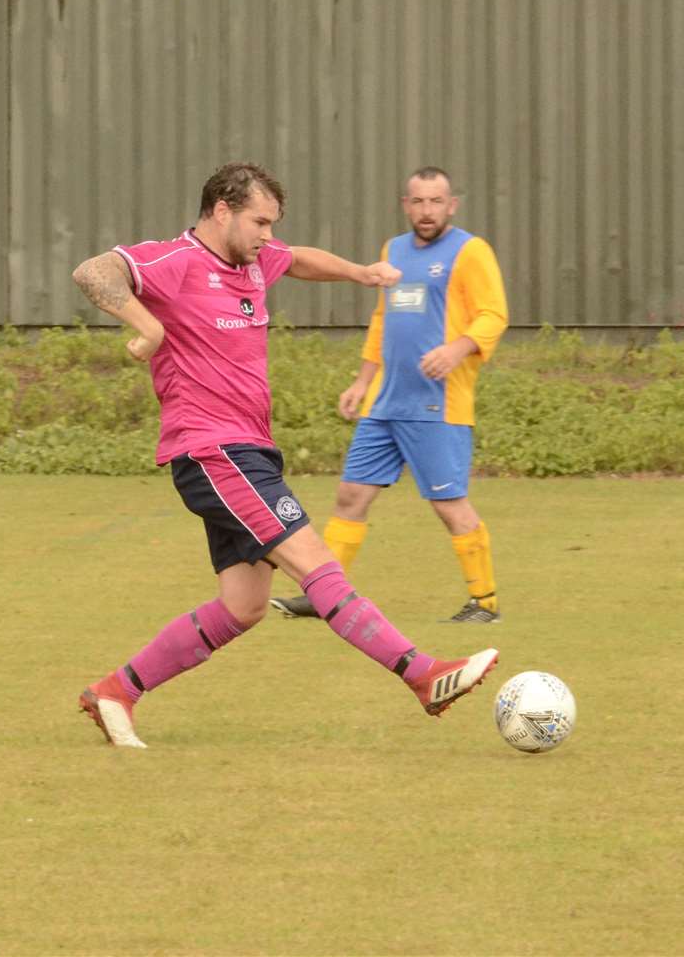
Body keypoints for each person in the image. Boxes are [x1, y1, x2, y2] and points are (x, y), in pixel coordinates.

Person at [72, 161, 498, 748]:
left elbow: (298, 259)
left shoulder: (254, 259)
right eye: (259, 222)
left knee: (243, 606)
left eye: (273, 224)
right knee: (315, 560)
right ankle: (423, 675)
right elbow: (93, 272)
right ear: (221, 210)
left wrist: (361, 272)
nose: (268, 236)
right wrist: (150, 327)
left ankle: (116, 691)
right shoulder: (174, 261)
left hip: (250, 452)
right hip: (213, 451)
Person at [270, 166, 509, 624]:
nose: (426, 211)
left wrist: (457, 349)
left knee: (447, 503)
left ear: (451, 204)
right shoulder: (393, 251)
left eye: (435, 201)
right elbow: (383, 321)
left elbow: (493, 314)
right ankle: (327, 596)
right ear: (405, 204)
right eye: (417, 201)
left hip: (437, 405)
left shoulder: (469, 251)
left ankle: (485, 602)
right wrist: (362, 381)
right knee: (350, 495)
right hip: (385, 403)